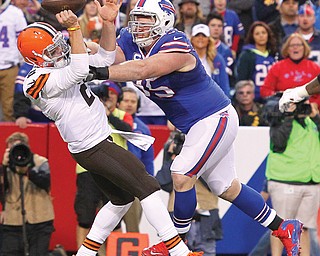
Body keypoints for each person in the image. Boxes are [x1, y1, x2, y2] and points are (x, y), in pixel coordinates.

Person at [88, 0, 304, 255]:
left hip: (214, 117)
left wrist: (99, 71)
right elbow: (105, 54)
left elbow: (143, 68)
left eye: (145, 19)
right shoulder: (132, 40)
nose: (138, 25)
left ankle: (175, 244)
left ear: (164, 21)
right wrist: (106, 26)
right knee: (226, 187)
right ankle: (284, 227)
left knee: (181, 174)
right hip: (197, 125)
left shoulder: (176, 44)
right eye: (137, 19)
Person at [16, 1, 200, 256]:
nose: (59, 50)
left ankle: (86, 252)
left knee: (122, 199)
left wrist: (109, 24)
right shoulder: (37, 80)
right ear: (36, 57)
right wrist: (74, 29)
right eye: (51, 49)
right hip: (92, 146)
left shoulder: (60, 65)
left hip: (97, 143)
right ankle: (179, 251)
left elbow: (105, 58)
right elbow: (80, 67)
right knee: (147, 186)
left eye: (58, 44)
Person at [263, 96, 320, 256]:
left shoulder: (311, 123)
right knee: (281, 226)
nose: (305, 108)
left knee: (305, 228)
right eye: (302, 106)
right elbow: (279, 143)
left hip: (311, 182)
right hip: (285, 181)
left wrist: (316, 118)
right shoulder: (279, 120)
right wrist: (288, 115)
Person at [156, 127, 223, 255]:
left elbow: (216, 184)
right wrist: (173, 159)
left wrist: (196, 160)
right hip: (176, 214)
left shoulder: (211, 146)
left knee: (207, 251)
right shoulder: (172, 149)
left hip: (206, 215)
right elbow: (164, 182)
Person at [0, 132, 54, 256]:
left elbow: (45, 182)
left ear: (27, 148)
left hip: (40, 220)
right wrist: (3, 167)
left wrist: (26, 168)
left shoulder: (40, 162)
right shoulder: (5, 166)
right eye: (12, 149)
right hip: (13, 221)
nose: (16, 153)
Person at [260, 33, 320, 99]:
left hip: (309, 105)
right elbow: (265, 90)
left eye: (299, 45)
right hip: (283, 104)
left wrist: (314, 102)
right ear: (287, 49)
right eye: (292, 45)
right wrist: (280, 97)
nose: (295, 47)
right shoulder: (277, 67)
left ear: (304, 48)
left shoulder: (315, 68)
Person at [236, 21, 278, 102]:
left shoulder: (274, 54)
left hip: (273, 97)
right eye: (257, 34)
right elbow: (242, 79)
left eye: (263, 33)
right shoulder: (247, 55)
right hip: (254, 99)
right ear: (252, 36)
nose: (261, 36)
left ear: (268, 35)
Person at [0, 0, 27, 121]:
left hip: (9, 67)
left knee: (9, 109)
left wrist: (22, 63)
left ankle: (10, 138)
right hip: (9, 65)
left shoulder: (15, 13)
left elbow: (23, 41)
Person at [190, 24, 230, 97]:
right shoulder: (186, 58)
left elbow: (224, 84)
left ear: (208, 40)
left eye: (204, 36)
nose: (200, 38)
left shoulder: (217, 59)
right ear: (192, 39)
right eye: (197, 35)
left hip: (212, 99)